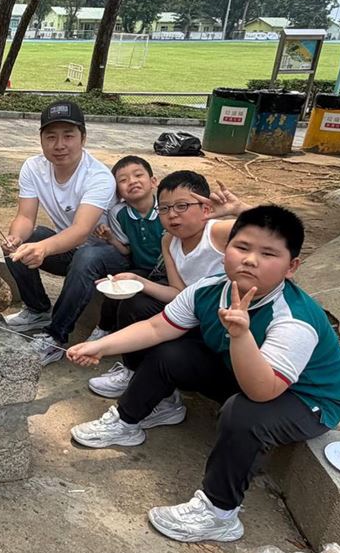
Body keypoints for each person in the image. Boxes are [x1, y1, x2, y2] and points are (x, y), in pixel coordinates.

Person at [66, 206, 340, 543]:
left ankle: (219, 513)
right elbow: (157, 327)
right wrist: (99, 347)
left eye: (268, 254)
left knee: (244, 413)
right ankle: (127, 422)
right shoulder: (209, 288)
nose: (250, 260)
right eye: (242, 247)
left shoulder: (292, 319)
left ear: (291, 267)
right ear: (225, 250)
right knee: (171, 351)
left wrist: (241, 335)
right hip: (246, 372)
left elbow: (263, 391)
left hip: (307, 398)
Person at [88, 171, 249, 402]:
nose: (172, 214)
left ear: (205, 207)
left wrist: (240, 209)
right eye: (164, 208)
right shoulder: (169, 240)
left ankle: (160, 387)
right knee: (134, 302)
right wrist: (138, 281)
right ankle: (132, 371)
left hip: (225, 321)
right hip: (191, 312)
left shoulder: (218, 232)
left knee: (167, 349)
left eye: (182, 206)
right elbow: (177, 293)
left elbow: (278, 232)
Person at [2, 100, 126, 365]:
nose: (59, 145)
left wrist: (43, 248)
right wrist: (16, 238)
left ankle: (55, 337)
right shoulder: (33, 167)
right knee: (21, 243)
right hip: (71, 249)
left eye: (68, 136)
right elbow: (25, 217)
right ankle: (37, 309)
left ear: (83, 138)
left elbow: (81, 230)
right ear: (41, 139)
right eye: (51, 137)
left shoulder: (98, 177)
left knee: (87, 256)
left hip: (112, 253)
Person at [90, 155, 163, 342]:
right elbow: (126, 250)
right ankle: (103, 328)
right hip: (142, 268)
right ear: (118, 191)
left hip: (169, 272)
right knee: (116, 287)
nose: (132, 181)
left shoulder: (166, 209)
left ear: (153, 181)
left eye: (138, 175)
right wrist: (110, 238)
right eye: (123, 180)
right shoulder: (118, 213)